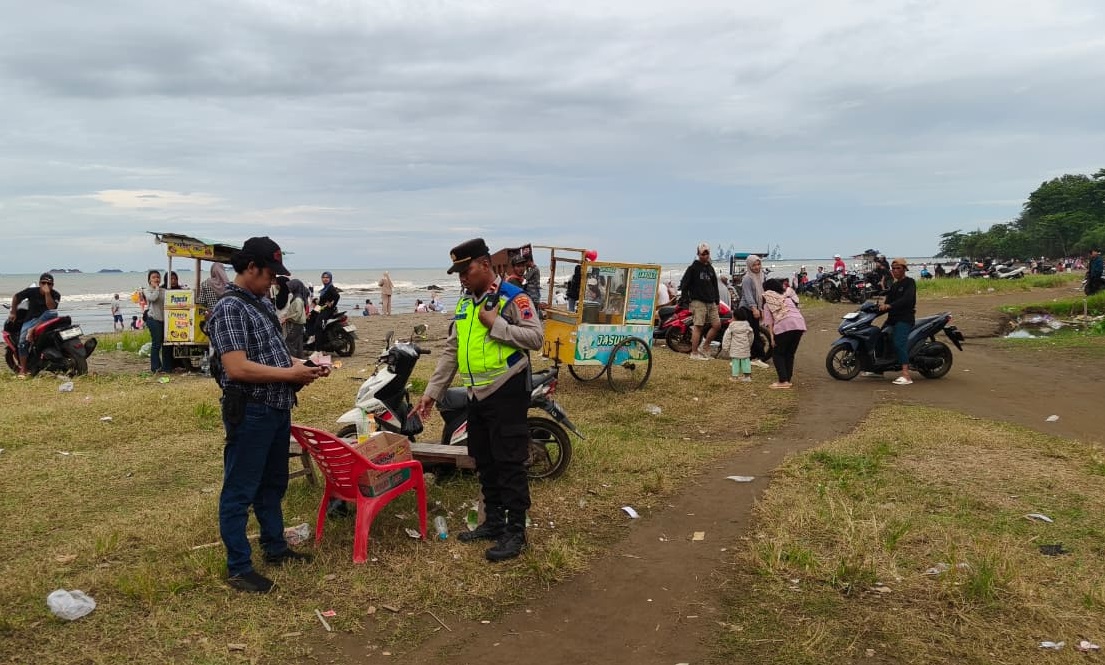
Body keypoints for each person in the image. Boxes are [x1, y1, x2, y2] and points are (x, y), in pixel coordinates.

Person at [206, 236, 328, 593]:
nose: (273, 281)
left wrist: (302, 365)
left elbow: (273, 354)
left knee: (273, 484)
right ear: (251, 268)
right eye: (269, 274)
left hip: (277, 407)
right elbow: (237, 367)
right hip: (251, 410)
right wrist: (291, 374)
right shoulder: (230, 308)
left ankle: (275, 547)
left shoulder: (259, 302)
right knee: (240, 490)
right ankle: (239, 568)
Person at [415, 238, 543, 562]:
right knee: (484, 460)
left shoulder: (513, 297)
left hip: (506, 389)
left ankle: (516, 532)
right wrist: (432, 393)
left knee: (509, 462)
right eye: (458, 273)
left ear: (485, 265)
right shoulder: (464, 304)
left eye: (466, 270)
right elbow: (452, 351)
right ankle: (493, 522)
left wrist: (496, 325)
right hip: (476, 393)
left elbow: (535, 337)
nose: (462, 278)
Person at [8, 272, 61, 377]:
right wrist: (13, 312)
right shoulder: (32, 291)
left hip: (47, 319)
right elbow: (16, 297)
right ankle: (23, 369)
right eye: (43, 283)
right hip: (31, 320)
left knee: (52, 312)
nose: (46, 285)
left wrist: (47, 294)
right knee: (22, 342)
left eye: (49, 283)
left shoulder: (56, 294)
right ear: (39, 283)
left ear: (53, 285)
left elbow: (51, 308)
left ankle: (32, 330)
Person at [678, 242, 722, 360]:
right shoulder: (693, 268)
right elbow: (684, 284)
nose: (705, 256)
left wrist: (717, 302)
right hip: (698, 301)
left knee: (717, 325)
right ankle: (694, 352)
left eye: (707, 253)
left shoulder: (710, 268)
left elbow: (715, 286)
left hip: (711, 301)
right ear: (698, 254)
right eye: (703, 254)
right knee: (698, 326)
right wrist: (686, 300)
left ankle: (705, 346)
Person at [761, 278, 806, 389]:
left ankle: (783, 381)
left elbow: (769, 323)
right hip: (799, 325)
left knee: (777, 353)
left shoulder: (768, 303)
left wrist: (772, 337)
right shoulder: (787, 298)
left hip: (784, 325)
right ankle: (787, 379)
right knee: (789, 353)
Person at [879, 258, 917, 386]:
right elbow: (887, 302)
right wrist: (879, 307)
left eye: (898, 268)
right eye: (893, 268)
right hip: (892, 319)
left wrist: (890, 306)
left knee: (898, 342)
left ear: (904, 269)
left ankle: (906, 375)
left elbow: (907, 299)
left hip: (905, 319)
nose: (895, 271)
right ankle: (878, 370)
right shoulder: (894, 286)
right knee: (879, 337)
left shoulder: (910, 282)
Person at [738, 255, 770, 368]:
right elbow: (748, 295)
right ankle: (758, 356)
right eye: (754, 265)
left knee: (755, 332)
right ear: (749, 266)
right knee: (752, 333)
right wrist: (754, 309)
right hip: (747, 308)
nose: (757, 267)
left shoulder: (761, 275)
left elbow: (762, 293)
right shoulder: (747, 278)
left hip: (757, 307)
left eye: (758, 264)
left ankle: (754, 355)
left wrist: (762, 308)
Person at [142, 270, 173, 374]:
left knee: (167, 344)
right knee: (156, 343)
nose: (156, 279)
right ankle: (155, 367)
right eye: (154, 277)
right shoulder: (147, 290)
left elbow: (170, 300)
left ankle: (167, 367)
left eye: (158, 277)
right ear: (149, 280)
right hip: (153, 319)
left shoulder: (164, 290)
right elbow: (153, 298)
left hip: (165, 320)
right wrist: (156, 288)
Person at [721, 307, 754, 383]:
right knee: (746, 361)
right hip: (745, 348)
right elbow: (751, 337)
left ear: (734, 317)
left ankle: (735, 377)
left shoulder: (732, 327)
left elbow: (726, 337)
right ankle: (747, 377)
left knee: (735, 362)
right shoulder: (747, 326)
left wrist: (725, 347)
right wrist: (749, 345)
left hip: (735, 348)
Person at [307, 271, 340, 342]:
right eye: (323, 277)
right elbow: (321, 304)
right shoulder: (325, 289)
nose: (325, 279)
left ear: (330, 278)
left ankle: (318, 344)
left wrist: (331, 305)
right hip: (321, 309)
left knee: (318, 326)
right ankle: (312, 336)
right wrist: (312, 312)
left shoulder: (330, 288)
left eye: (327, 277)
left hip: (326, 311)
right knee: (309, 319)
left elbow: (337, 296)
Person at [282, 279, 309, 358]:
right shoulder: (299, 297)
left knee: (289, 342)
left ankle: (292, 360)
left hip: (296, 325)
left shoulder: (297, 299)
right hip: (300, 325)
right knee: (299, 344)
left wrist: (286, 318)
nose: (289, 288)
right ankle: (300, 360)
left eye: (290, 287)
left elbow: (297, 314)